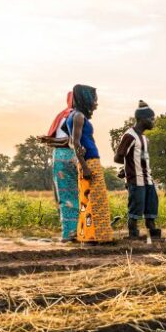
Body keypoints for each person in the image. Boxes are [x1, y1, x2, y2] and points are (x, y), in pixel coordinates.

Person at [66, 84, 113, 244]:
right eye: (94, 99)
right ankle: (93, 237)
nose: (96, 103)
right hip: (89, 162)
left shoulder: (75, 116)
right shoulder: (78, 116)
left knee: (92, 200)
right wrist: (84, 165)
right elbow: (76, 142)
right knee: (95, 200)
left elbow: (73, 142)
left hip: (89, 160)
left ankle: (91, 235)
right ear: (86, 99)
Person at [114, 101, 160, 240]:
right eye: (152, 119)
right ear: (142, 119)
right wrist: (127, 170)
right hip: (136, 179)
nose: (154, 121)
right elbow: (118, 157)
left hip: (147, 178)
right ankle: (133, 235)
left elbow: (141, 158)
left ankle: (152, 231)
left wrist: (129, 166)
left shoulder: (145, 139)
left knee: (151, 206)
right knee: (136, 207)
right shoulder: (130, 136)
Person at [38, 91, 79, 242]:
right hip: (71, 156)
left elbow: (59, 140)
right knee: (73, 195)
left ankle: (70, 232)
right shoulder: (75, 116)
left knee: (65, 195)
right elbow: (72, 141)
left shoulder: (62, 116)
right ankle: (73, 232)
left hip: (60, 157)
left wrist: (49, 140)